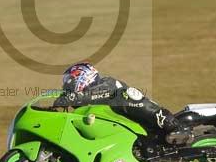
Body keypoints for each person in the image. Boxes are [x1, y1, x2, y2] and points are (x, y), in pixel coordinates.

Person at [52, 62, 194, 145]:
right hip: (123, 134)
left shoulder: (107, 84)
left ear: (83, 76)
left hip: (146, 124)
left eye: (70, 80)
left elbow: (100, 93)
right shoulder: (82, 102)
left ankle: (175, 125)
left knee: (126, 95)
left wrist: (74, 98)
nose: (67, 85)